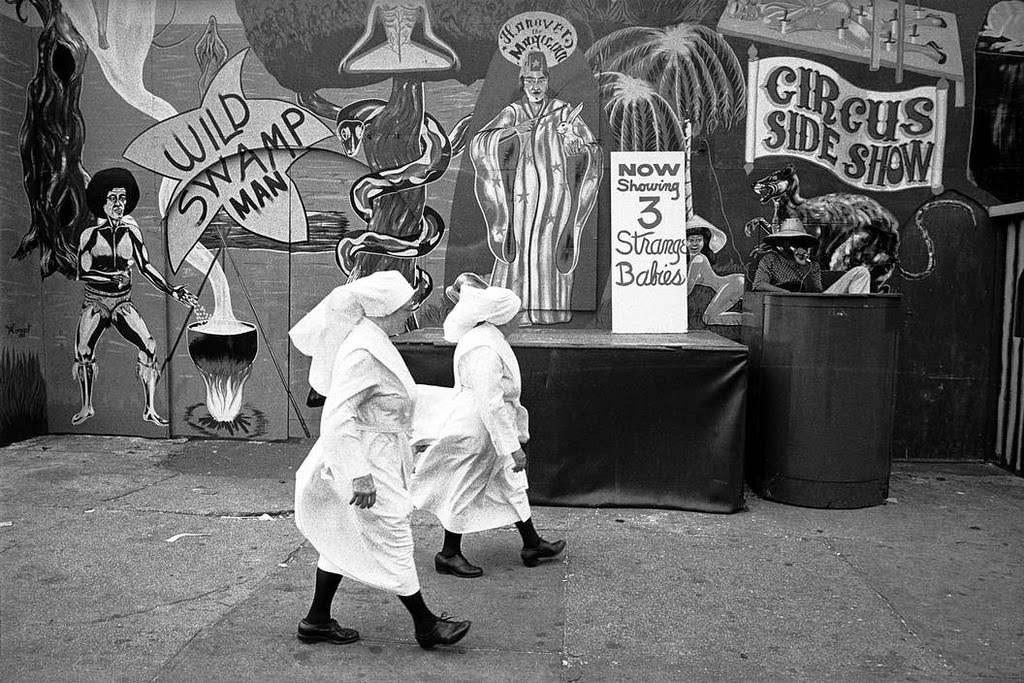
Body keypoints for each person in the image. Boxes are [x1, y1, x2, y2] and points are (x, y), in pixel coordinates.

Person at [288, 271, 470, 649]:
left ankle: (316, 619)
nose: (409, 312)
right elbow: (337, 416)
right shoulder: (363, 352)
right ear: (384, 310)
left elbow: (391, 402)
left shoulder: (374, 341)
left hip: (377, 452)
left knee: (343, 534)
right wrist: (358, 475)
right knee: (393, 534)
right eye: (405, 307)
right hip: (368, 460)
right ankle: (426, 625)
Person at [411, 278, 565, 577]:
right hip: (477, 429)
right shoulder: (483, 348)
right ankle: (448, 553)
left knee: (511, 484)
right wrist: (512, 448)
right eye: (518, 313)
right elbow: (490, 403)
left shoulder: (487, 339)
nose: (521, 317)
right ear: (503, 317)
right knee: (465, 486)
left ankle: (532, 543)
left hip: (486, 425)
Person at [470, 50, 602, 324]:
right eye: (530, 80)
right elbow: (480, 144)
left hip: (556, 200)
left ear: (547, 80)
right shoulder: (513, 112)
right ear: (522, 82)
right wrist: (513, 132)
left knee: (549, 251)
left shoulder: (563, 112)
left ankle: (548, 310)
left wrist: (573, 143)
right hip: (518, 200)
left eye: (541, 79)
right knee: (517, 250)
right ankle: (511, 312)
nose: (535, 85)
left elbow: (590, 151)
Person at [73, 167, 197, 426]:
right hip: (96, 300)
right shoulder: (90, 236)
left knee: (149, 347)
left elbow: (147, 267)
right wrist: (110, 278)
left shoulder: (132, 233)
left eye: (122, 198)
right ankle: (86, 407)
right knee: (83, 350)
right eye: (113, 198)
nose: (119, 204)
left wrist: (172, 290)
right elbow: (83, 273)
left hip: (122, 302)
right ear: (102, 202)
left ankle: (150, 408)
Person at [752, 218, 871, 294]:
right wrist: (786, 293)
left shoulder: (812, 264)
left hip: (816, 305)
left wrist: (804, 266)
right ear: (782, 242)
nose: (793, 243)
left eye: (796, 240)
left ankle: (859, 316)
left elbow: (816, 293)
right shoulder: (771, 259)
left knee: (861, 272)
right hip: (786, 305)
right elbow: (759, 284)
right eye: (788, 240)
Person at [685, 215, 744, 326]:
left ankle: (750, 320)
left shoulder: (698, 259)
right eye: (691, 240)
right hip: (737, 281)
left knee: (709, 318)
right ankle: (750, 319)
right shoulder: (692, 259)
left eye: (699, 240)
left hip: (735, 283)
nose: (695, 244)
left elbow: (687, 289)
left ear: (704, 242)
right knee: (709, 318)